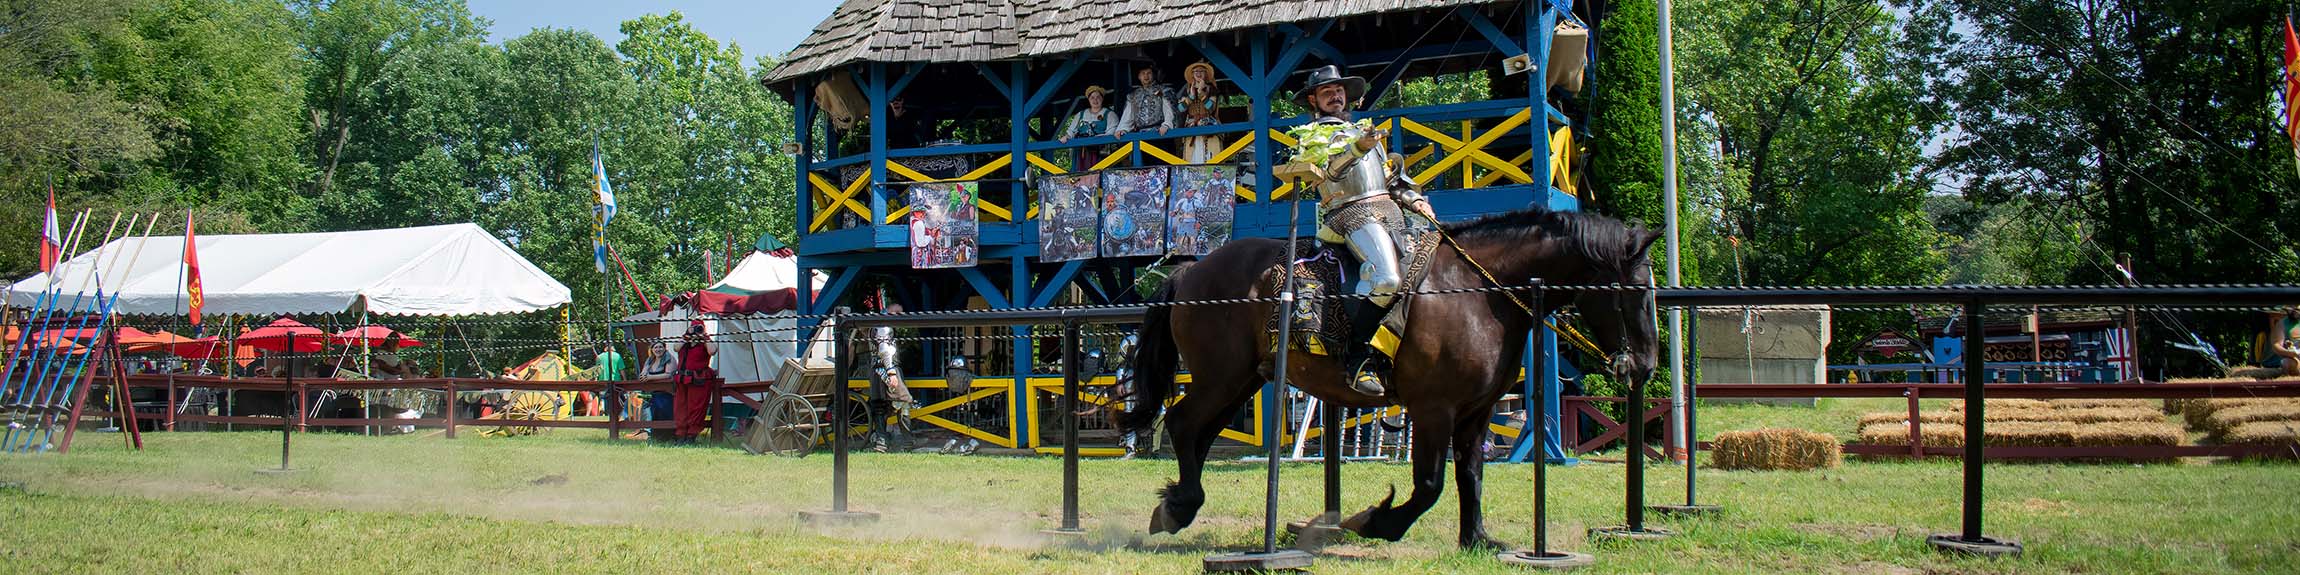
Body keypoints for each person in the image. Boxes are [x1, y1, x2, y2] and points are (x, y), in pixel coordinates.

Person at [1296, 65, 1435, 398]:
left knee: (1431, 269)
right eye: (1328, 91)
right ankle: (1358, 356)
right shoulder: (1313, 134)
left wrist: (1414, 198)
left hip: (1390, 210)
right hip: (1348, 213)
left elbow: (1389, 179)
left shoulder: (1363, 131)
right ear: (1314, 99)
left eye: (1339, 89)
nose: (1336, 95)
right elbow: (1326, 173)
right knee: (1387, 279)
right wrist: (1358, 146)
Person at [671, 324, 716, 443]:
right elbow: (675, 348)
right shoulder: (684, 343)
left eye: (699, 328)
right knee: (680, 408)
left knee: (696, 408)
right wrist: (687, 336)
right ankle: (681, 435)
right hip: (683, 379)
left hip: (699, 379)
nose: (696, 331)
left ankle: (691, 436)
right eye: (694, 328)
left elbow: (712, 351)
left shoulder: (704, 343)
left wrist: (704, 337)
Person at [1176, 60, 1225, 163]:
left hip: (1209, 126)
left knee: (1211, 157)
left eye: (1201, 71)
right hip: (1191, 127)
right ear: (1192, 75)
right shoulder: (1186, 90)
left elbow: (1211, 108)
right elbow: (1180, 109)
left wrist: (1201, 93)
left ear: (1206, 74)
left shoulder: (1211, 89)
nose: (1198, 74)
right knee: (1191, 158)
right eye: (1196, 71)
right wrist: (1191, 96)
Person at [1114, 66, 1175, 139]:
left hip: (1160, 133)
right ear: (1139, 76)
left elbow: (1168, 109)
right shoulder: (1133, 95)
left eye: (1149, 73)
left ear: (1153, 75)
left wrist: (1166, 125)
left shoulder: (1163, 91)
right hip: (1140, 135)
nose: (1146, 76)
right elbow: (1127, 116)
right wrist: (1122, 129)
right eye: (1143, 73)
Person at [2272, 307, 2300, 377]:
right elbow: (2276, 346)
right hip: (2294, 359)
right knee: (2285, 363)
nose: (2296, 312)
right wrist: (2292, 353)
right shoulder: (2282, 323)